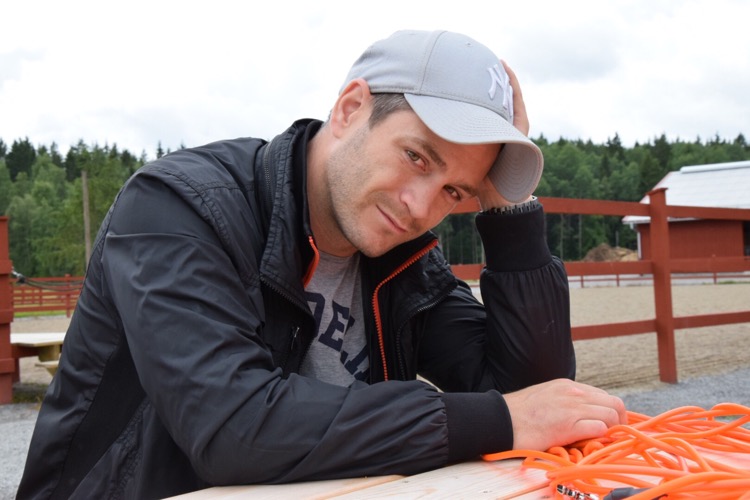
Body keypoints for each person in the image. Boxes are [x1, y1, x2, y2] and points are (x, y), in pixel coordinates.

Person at [17, 29, 625, 499]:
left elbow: (539, 397)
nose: (420, 207)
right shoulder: (181, 206)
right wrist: (496, 420)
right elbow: (232, 426)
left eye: (453, 191)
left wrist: (508, 209)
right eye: (417, 157)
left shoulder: (403, 260)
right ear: (351, 108)